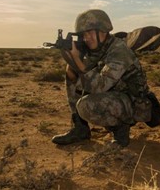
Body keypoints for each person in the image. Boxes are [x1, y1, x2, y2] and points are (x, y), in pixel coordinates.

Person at [52, 9, 152, 147]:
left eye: (90, 32)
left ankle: (120, 132)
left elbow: (100, 85)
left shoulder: (119, 51)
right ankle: (80, 128)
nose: (86, 38)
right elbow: (83, 77)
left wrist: (76, 59)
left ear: (103, 31)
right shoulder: (97, 49)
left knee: (85, 105)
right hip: (114, 95)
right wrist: (71, 61)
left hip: (134, 103)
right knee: (71, 72)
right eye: (83, 34)